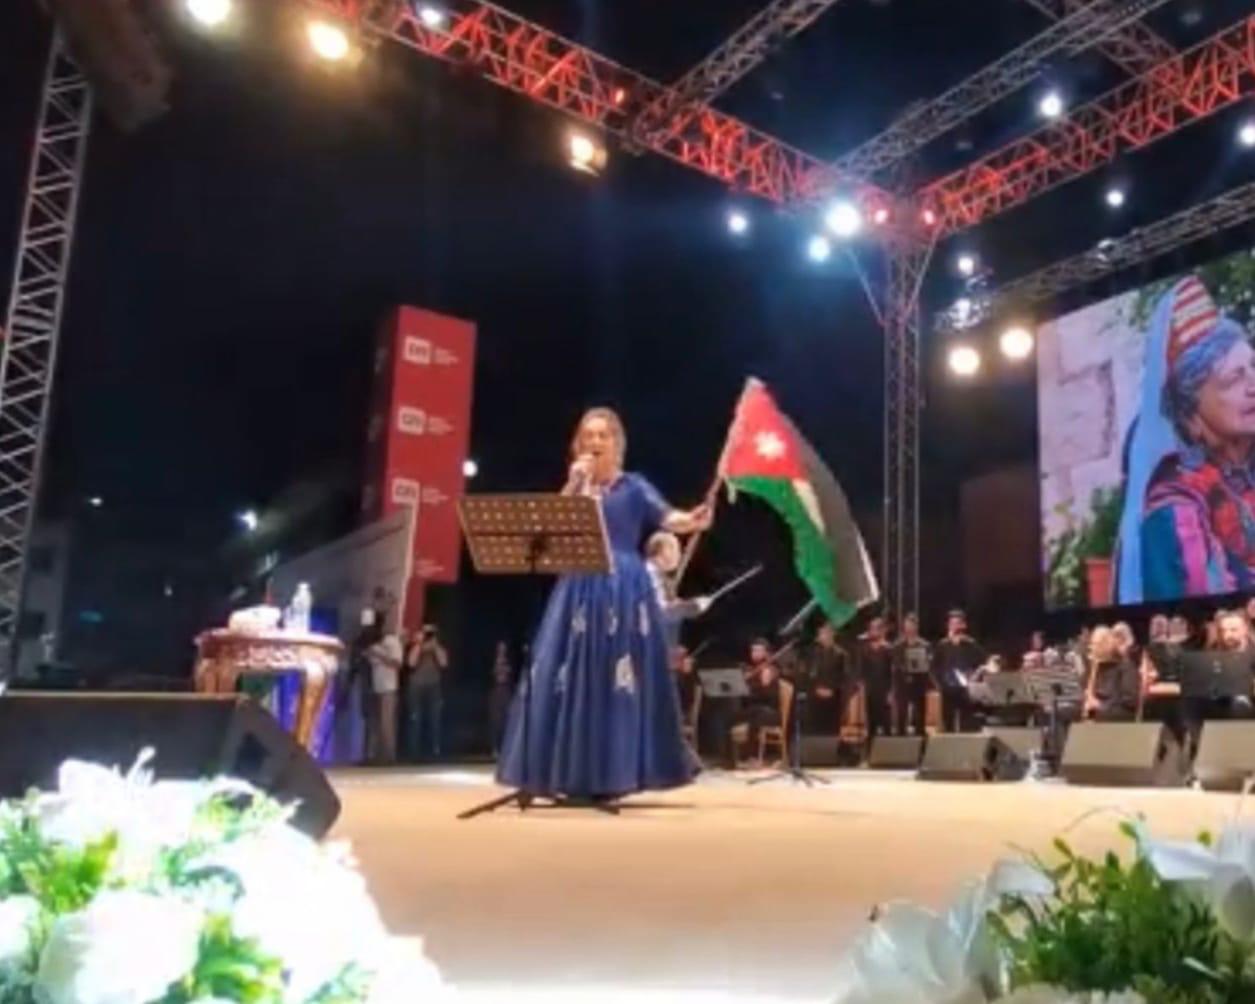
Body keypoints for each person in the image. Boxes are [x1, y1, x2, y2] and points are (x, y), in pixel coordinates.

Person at [496, 407, 711, 800]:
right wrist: (573, 483)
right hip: (577, 586)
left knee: (616, 679)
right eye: (588, 435)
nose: (595, 442)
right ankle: (559, 772)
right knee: (563, 674)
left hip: (622, 589)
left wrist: (693, 519)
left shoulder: (634, 486)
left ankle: (611, 774)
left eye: (603, 435)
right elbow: (550, 526)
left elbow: (669, 517)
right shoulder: (577, 485)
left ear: (617, 443)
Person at [1116, 276, 1255, 601]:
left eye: (1254, 367)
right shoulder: (1173, 512)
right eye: (1233, 379)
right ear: (1191, 412)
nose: (1253, 385)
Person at [644, 531, 712, 651]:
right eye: (677, 550)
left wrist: (679, 605)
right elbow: (660, 614)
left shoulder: (655, 576)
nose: (679, 556)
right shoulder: (649, 576)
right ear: (665, 551)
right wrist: (693, 606)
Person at [729, 638, 782, 766]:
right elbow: (746, 695)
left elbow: (771, 696)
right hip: (755, 709)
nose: (755, 653)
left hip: (772, 712)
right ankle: (731, 758)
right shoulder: (748, 669)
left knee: (757, 715)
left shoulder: (771, 669)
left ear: (767, 653)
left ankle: (752, 756)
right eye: (753, 650)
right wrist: (743, 682)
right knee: (730, 715)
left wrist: (766, 682)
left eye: (759, 650)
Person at [933, 609, 985, 732]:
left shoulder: (971, 644)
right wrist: (939, 684)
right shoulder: (942, 645)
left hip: (965, 689)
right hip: (947, 689)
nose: (955, 626)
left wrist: (974, 677)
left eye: (958, 623)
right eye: (952, 623)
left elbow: (982, 663)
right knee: (948, 722)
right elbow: (935, 667)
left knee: (966, 722)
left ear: (963, 625)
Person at [402, 624, 448, 761]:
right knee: (415, 717)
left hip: (434, 685)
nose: (428, 637)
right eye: (426, 633)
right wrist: (419, 644)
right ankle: (413, 751)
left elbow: (444, 663)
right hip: (416, 685)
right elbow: (411, 663)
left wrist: (435, 646)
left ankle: (435, 749)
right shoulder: (416, 647)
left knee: (435, 718)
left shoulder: (439, 648)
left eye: (430, 634)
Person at [365, 611, 404, 764]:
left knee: (386, 723)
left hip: (389, 687)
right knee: (375, 722)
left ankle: (389, 756)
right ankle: (375, 755)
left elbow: (397, 663)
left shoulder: (392, 642)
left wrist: (379, 655)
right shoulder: (373, 644)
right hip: (376, 686)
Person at [797, 621, 847, 736]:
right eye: (820, 633)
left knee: (831, 731)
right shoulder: (811, 653)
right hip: (814, 694)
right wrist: (815, 688)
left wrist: (832, 689)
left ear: (832, 634)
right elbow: (805, 674)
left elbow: (845, 677)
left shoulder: (841, 654)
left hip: (834, 696)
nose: (820, 636)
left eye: (824, 633)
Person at [1083, 625, 1140, 722]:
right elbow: (1089, 693)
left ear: (1107, 645)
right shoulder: (1097, 666)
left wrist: (1101, 706)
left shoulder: (1125, 666)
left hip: (1120, 714)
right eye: (1091, 644)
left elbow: (1130, 701)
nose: (1091, 648)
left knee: (1098, 718)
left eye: (1096, 644)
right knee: (1064, 713)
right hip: (1100, 712)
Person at [891, 613, 932, 737]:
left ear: (916, 627)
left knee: (920, 712)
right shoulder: (897, 645)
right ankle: (901, 737)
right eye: (907, 626)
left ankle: (920, 737)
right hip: (902, 684)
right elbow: (895, 664)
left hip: (919, 684)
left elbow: (929, 664)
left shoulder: (925, 645)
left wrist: (927, 663)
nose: (909, 628)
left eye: (912, 625)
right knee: (901, 712)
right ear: (904, 627)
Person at [856, 616, 894, 746]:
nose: (873, 631)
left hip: (884, 690)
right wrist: (861, 684)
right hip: (870, 689)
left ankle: (888, 749)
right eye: (871, 628)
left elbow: (893, 673)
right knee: (871, 722)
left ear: (882, 630)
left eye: (876, 628)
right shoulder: (864, 648)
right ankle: (870, 749)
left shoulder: (889, 649)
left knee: (886, 722)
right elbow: (861, 670)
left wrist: (891, 692)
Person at [488, 640, 513, 756]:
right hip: (495, 690)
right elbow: (493, 673)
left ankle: (506, 748)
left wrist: (505, 668)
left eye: (503, 648)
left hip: (506, 690)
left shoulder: (509, 661)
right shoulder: (493, 660)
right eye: (500, 648)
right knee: (495, 721)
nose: (502, 650)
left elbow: (509, 673)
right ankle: (495, 747)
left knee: (506, 720)